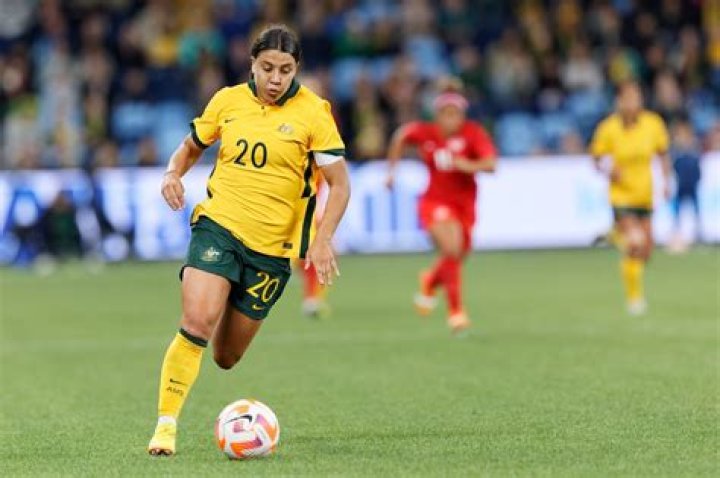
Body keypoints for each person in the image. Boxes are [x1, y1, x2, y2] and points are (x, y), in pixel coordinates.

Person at [147, 25, 350, 456]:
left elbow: (340, 184)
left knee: (226, 356)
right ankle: (165, 426)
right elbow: (190, 146)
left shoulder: (315, 113)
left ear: (297, 69)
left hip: (272, 253)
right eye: (267, 68)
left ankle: (220, 294)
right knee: (196, 322)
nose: (275, 79)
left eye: (285, 70)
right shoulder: (227, 101)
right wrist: (171, 173)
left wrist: (323, 239)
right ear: (252, 63)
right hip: (219, 226)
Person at [385, 82, 497, 335]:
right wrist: (391, 171)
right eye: (446, 114)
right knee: (451, 249)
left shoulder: (473, 134)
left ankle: (430, 280)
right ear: (437, 115)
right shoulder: (427, 133)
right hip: (434, 202)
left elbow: (491, 165)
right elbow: (401, 136)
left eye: (455, 114)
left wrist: (467, 165)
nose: (451, 119)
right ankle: (456, 312)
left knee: (458, 254)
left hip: (464, 206)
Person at [589, 80, 672, 315]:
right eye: (627, 98)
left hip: (644, 195)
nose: (632, 103)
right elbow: (596, 159)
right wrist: (609, 170)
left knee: (645, 252)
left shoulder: (653, 124)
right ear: (618, 101)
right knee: (635, 242)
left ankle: (614, 235)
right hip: (621, 196)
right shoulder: (608, 128)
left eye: (636, 98)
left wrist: (666, 181)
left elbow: (662, 154)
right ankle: (634, 299)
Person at [668, 119, 703, 251]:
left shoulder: (693, 151)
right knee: (677, 210)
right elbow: (673, 168)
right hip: (681, 185)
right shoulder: (676, 152)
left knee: (695, 210)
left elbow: (697, 169)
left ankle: (698, 233)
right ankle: (676, 234)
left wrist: (697, 179)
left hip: (691, 185)